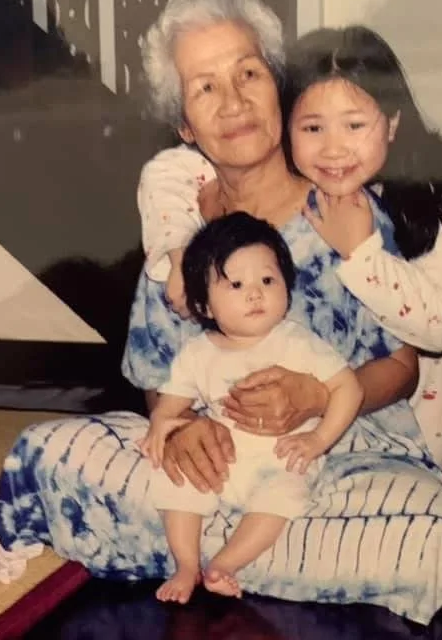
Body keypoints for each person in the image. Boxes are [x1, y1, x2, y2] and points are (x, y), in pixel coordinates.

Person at [0, 0, 442, 626]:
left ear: (278, 88)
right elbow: (160, 378)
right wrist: (181, 426)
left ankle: (189, 547)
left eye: (248, 73)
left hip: (337, 451)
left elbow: (401, 367)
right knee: (46, 454)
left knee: (434, 533)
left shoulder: (346, 214)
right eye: (205, 87)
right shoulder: (184, 237)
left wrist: (313, 397)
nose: (234, 101)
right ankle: (264, 552)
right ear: (187, 126)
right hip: (217, 463)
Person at [139, 25, 442, 473]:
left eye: (354, 125)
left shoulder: (431, 193)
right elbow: (167, 173)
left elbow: (440, 330)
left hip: (417, 426)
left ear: (392, 122)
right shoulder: (299, 178)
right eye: (313, 127)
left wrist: (362, 253)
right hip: (308, 426)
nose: (334, 149)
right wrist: (179, 243)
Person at [140, 211, 364, 602]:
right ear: (205, 306)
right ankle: (186, 565)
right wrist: (162, 421)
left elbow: (349, 388)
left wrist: (318, 440)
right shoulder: (198, 352)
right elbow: (173, 398)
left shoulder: (296, 342)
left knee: (281, 498)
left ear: (287, 288)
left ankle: (224, 564)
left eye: (267, 280)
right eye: (236, 284)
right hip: (221, 459)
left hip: (280, 459)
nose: (255, 293)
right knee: (174, 481)